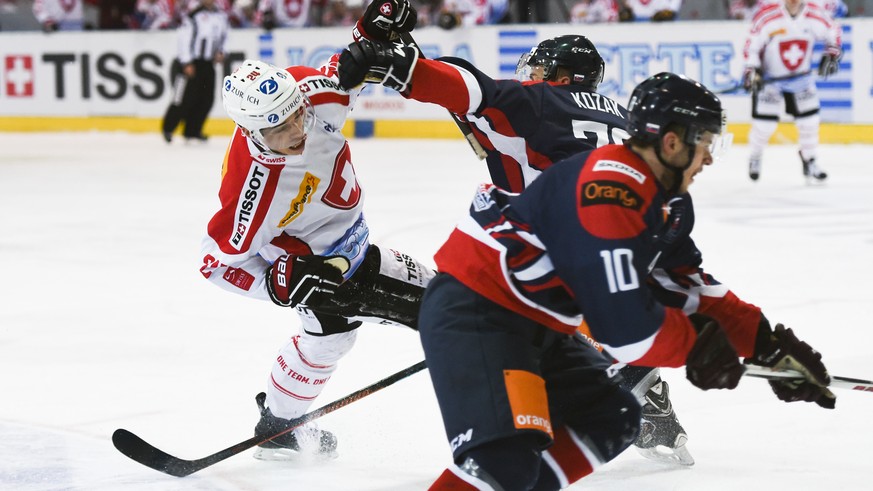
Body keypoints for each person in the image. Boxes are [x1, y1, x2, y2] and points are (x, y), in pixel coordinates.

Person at [412, 72, 836, 490]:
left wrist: (766, 345)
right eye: (706, 142)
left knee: (609, 417)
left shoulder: (667, 201)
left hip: (536, 321)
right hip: (481, 309)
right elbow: (625, 330)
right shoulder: (609, 189)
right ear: (673, 142)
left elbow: (690, 287)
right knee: (502, 461)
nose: (708, 158)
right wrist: (696, 348)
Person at [337, 31, 694, 465]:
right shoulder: (623, 119)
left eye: (541, 68)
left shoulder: (541, 101)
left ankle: (522, 430)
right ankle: (641, 390)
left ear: (563, 76)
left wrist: (402, 67)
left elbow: (471, 90)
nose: (532, 75)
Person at [198, 0, 425, 460]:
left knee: (329, 339)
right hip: (326, 271)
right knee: (455, 309)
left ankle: (276, 429)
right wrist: (276, 286)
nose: (298, 129)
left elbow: (346, 71)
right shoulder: (250, 194)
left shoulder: (308, 96)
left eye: (298, 114)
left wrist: (372, 31)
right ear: (252, 131)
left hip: (351, 245)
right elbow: (214, 264)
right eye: (281, 128)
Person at [741, 0, 841, 181]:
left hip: (801, 79)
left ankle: (810, 159)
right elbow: (752, 46)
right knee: (764, 126)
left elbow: (833, 32)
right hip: (770, 80)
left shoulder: (815, 15)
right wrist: (752, 69)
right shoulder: (767, 16)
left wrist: (832, 53)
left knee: (810, 123)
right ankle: (755, 156)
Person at [161, 0, 229, 143]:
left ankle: (192, 130)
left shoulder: (221, 16)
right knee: (182, 98)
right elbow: (184, 40)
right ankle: (168, 128)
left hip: (208, 63)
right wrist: (186, 62)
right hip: (192, 63)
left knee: (206, 99)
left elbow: (225, 37)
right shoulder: (193, 16)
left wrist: (222, 52)